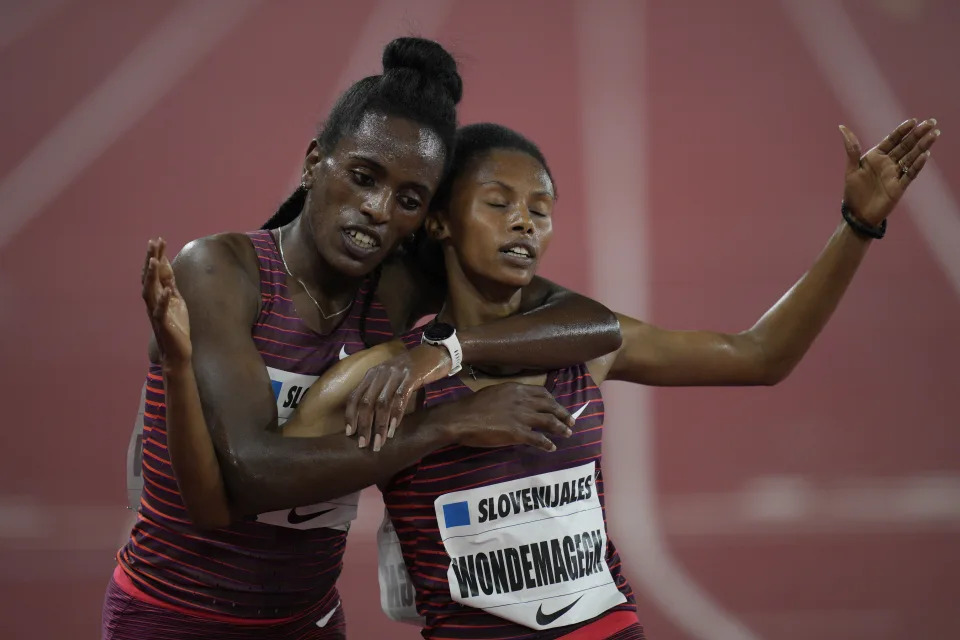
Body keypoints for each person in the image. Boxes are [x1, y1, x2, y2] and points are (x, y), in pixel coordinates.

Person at [140, 116, 939, 640]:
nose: (527, 221)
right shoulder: (377, 379)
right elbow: (246, 483)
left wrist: (858, 226)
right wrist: (176, 383)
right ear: (444, 221)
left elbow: (760, 355)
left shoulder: (582, 343)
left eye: (543, 207)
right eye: (500, 202)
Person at [105, 37, 624, 640]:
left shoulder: (395, 289)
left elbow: (592, 323)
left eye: (409, 199)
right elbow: (251, 473)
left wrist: (448, 351)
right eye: (362, 176)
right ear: (313, 161)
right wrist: (446, 425)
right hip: (175, 616)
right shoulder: (223, 272)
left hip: (309, 621)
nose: (378, 210)